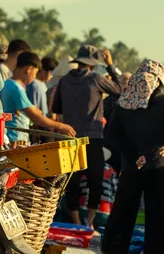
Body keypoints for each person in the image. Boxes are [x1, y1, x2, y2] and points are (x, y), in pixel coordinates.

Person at [95, 60, 164, 254]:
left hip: (131, 166)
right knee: (155, 214)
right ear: (158, 82)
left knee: (121, 211)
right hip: (157, 164)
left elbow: (112, 134)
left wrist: (132, 155)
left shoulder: (125, 102)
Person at [52, 45, 122, 229]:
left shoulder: (65, 80)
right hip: (92, 137)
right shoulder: (95, 79)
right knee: (95, 181)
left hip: (71, 137)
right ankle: (89, 222)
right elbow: (121, 91)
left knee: (72, 181)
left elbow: (57, 108)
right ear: (92, 64)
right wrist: (110, 66)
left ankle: (75, 222)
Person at [0, 52, 75, 147]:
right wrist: (60, 126)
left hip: (13, 137)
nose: (35, 77)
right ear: (29, 69)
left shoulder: (8, 83)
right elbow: (34, 116)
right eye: (35, 73)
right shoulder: (15, 88)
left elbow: (32, 110)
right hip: (15, 139)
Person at [26, 56, 58, 143]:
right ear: (44, 70)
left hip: (44, 124)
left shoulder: (42, 84)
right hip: (38, 126)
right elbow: (34, 108)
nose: (51, 76)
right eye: (51, 73)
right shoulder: (35, 85)